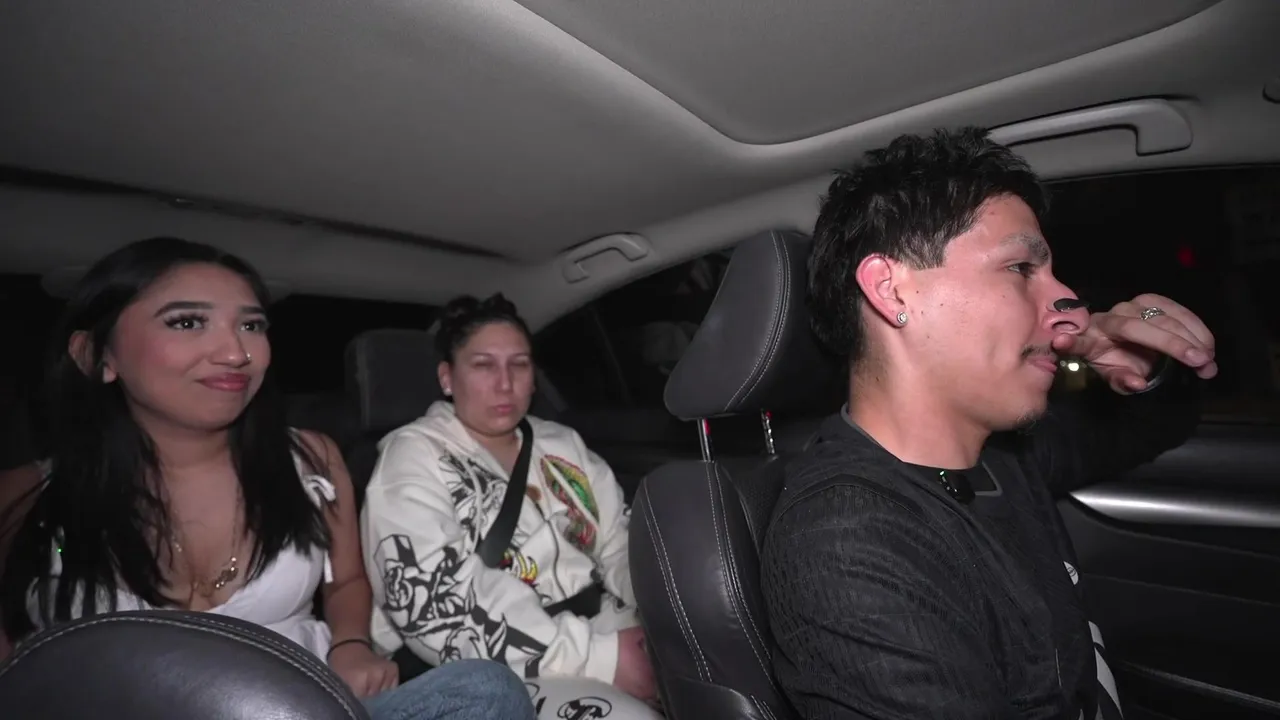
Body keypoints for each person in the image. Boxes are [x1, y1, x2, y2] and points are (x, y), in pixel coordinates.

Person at [761, 128, 1216, 719]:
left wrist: (1143, 369)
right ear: (891, 289)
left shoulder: (1001, 455)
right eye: (1021, 267)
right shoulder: (846, 540)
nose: (1074, 309)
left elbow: (1151, 429)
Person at [0, 237, 535, 720]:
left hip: (300, 707)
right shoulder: (26, 496)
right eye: (187, 323)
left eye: (251, 326)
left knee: (486, 689)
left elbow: (346, 580)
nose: (236, 352)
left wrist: (350, 644)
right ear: (97, 354)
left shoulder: (312, 461)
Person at [360, 294, 659, 714]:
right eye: (483, 365)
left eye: (519, 365)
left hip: (604, 628)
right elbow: (438, 600)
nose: (505, 383)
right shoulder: (412, 458)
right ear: (447, 377)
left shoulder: (562, 443)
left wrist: (663, 614)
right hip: (493, 664)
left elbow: (618, 543)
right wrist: (601, 658)